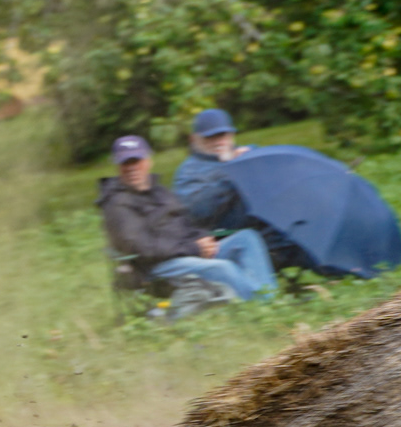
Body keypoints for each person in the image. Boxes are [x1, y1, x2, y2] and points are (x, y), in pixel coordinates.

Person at [100, 135, 276, 303]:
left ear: (148, 161)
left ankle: (269, 295)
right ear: (118, 166)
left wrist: (202, 237)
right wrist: (193, 248)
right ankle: (263, 303)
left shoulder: (159, 191)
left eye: (136, 161)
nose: (131, 168)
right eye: (125, 162)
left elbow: (185, 221)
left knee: (247, 239)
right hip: (158, 267)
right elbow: (145, 248)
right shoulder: (117, 204)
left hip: (186, 252)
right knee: (222, 267)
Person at [173, 108, 254, 231]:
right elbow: (197, 211)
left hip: (267, 225)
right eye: (210, 137)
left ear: (231, 135)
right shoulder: (188, 172)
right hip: (230, 234)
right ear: (194, 139)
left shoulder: (248, 154)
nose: (218, 142)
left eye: (223, 135)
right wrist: (231, 171)